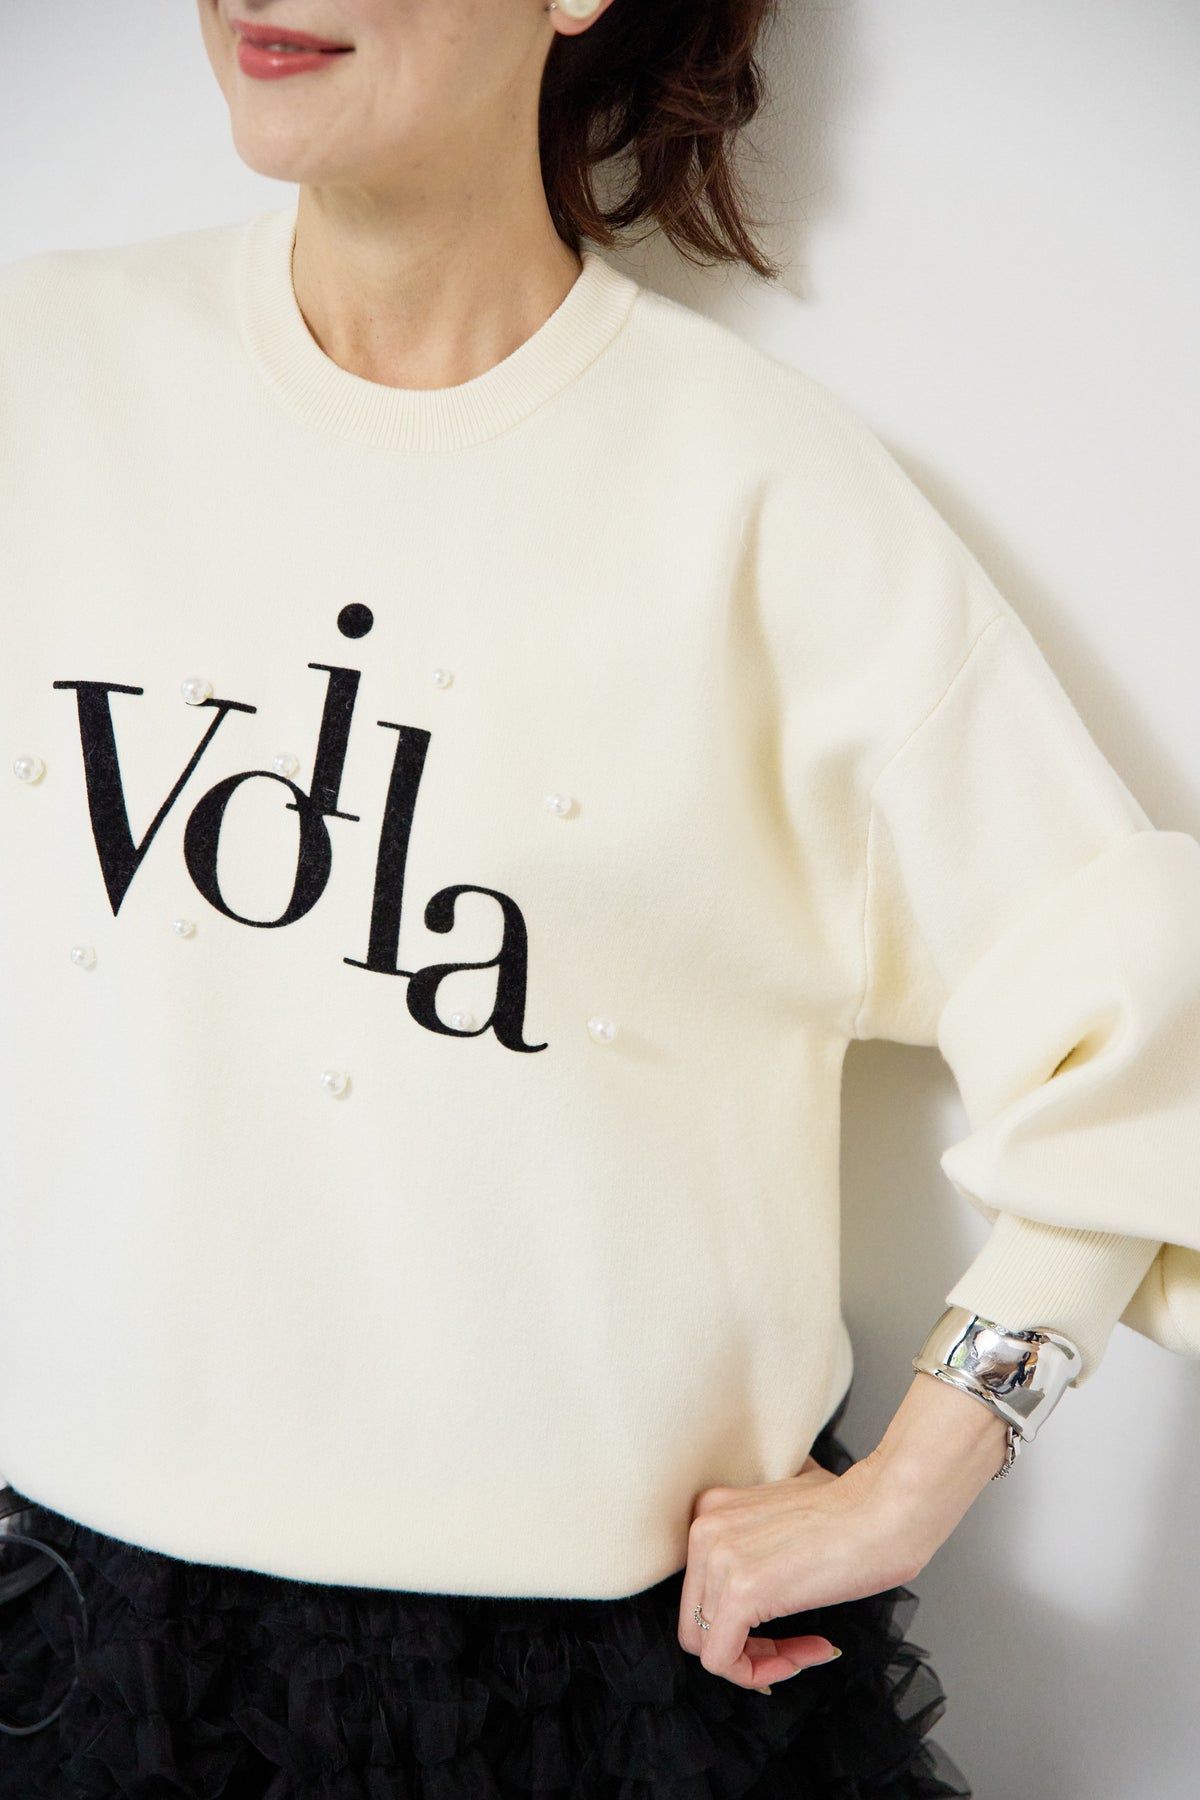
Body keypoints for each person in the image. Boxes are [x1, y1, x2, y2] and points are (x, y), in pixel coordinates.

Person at [1, 1, 1198, 1795]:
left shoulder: (761, 499)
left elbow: (1140, 997)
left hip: (595, 1700)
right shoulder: (43, 375)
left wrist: (930, 1466)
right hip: (66, 1653)